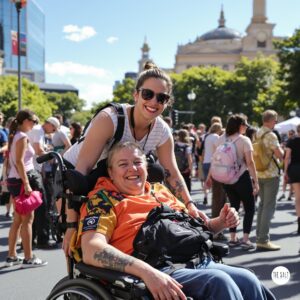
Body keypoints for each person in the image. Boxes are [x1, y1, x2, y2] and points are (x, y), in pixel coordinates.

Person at [73, 141, 274, 300]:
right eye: (123, 164)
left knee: (248, 280)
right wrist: (147, 273)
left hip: (197, 261)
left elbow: (187, 230)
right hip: (155, 269)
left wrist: (219, 223)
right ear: (111, 172)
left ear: (146, 166)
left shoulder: (159, 190)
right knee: (219, 282)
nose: (132, 169)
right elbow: (92, 249)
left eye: (137, 162)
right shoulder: (104, 200)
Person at [63, 61, 202, 255]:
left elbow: (172, 173)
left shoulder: (162, 130)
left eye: (161, 98)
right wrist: (70, 224)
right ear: (136, 95)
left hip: (112, 177)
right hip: (76, 177)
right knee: (78, 244)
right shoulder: (109, 119)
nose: (154, 102)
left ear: (167, 102)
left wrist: (190, 205)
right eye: (148, 94)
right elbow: (81, 172)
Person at [208, 115, 259, 250]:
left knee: (233, 207)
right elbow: (250, 162)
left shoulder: (220, 139)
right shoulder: (244, 140)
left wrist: (209, 176)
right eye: (245, 124)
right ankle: (246, 239)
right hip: (241, 177)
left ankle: (232, 237)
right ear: (240, 126)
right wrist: (256, 181)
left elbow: (214, 159)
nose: (246, 127)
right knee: (249, 207)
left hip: (226, 179)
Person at [5, 109, 47, 268]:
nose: (35, 124)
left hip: (15, 180)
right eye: (33, 121)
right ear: (25, 121)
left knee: (17, 220)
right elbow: (21, 162)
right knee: (27, 220)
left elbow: (13, 161)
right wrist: (27, 184)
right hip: (22, 181)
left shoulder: (15, 135)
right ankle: (29, 258)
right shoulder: (21, 137)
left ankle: (12, 256)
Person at [27, 116, 60, 249]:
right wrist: (51, 155)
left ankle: (32, 239)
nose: (52, 132)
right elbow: (38, 149)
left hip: (31, 171)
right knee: (42, 207)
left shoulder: (36, 130)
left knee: (34, 207)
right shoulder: (39, 131)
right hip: (33, 172)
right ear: (50, 125)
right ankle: (42, 239)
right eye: (53, 129)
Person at [256, 110, 284, 251]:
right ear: (270, 120)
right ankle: (263, 239)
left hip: (259, 172)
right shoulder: (271, 135)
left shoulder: (258, 133)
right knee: (268, 207)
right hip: (271, 173)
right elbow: (280, 154)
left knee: (262, 206)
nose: (276, 123)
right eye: (275, 120)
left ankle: (259, 236)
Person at [284, 124, 300, 234]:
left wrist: (285, 171)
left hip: (294, 169)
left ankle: (299, 221)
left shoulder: (292, 140)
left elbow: (287, 157)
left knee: (298, 197)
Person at [202, 122, 223, 205]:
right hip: (213, 162)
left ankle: (205, 196)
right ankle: (214, 201)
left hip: (205, 161)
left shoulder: (207, 137)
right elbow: (218, 150)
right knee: (215, 183)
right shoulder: (216, 137)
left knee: (206, 181)